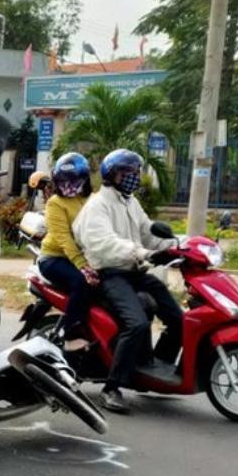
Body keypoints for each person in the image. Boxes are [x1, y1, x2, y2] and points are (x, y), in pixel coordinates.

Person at [73, 148, 181, 413]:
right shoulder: (98, 205)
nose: (134, 177)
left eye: (136, 172)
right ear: (112, 174)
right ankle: (112, 387)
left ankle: (154, 370)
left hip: (134, 271)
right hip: (111, 274)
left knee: (178, 317)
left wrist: (178, 244)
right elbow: (105, 244)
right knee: (137, 324)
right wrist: (142, 253)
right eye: (128, 172)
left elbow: (147, 231)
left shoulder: (130, 201)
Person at [38, 153, 96, 345]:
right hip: (54, 258)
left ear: (84, 179)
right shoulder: (55, 203)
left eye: (73, 180)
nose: (68, 185)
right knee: (83, 282)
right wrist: (83, 266)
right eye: (63, 181)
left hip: (87, 257)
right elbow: (64, 238)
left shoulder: (93, 200)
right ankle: (70, 332)